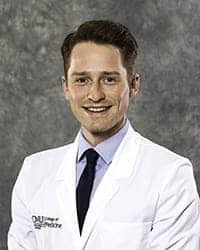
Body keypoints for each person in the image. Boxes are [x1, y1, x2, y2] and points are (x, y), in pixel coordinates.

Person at [8, 20, 200, 250]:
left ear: (133, 84)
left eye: (109, 79)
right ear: (65, 87)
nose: (95, 94)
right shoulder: (34, 172)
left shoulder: (171, 175)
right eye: (82, 80)